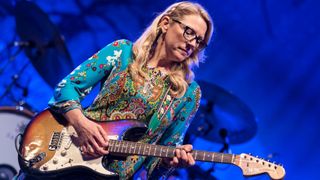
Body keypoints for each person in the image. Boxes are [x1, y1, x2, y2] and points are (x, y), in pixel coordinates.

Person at [18, 1, 213, 179]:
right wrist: (81, 124)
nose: (193, 44)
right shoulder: (122, 52)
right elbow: (66, 87)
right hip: (70, 154)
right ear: (165, 23)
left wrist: (169, 163)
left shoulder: (188, 93)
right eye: (189, 32)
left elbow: (159, 161)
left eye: (199, 41)